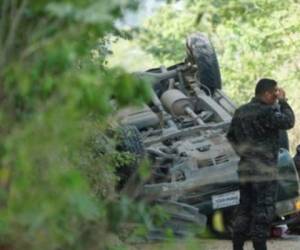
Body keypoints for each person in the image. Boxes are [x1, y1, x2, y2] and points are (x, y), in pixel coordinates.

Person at [226, 78, 295, 250]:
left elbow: (230, 137)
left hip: (245, 168)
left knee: (244, 209)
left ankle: (237, 247)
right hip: (264, 170)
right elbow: (288, 122)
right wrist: (284, 101)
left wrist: (244, 153)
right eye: (274, 93)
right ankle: (259, 247)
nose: (276, 97)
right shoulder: (267, 112)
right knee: (262, 211)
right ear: (266, 93)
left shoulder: (240, 111)